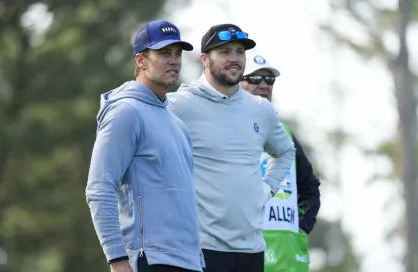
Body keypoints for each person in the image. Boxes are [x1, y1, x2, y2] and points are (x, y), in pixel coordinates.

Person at [167, 24, 296, 272]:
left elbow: (285, 151)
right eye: (225, 52)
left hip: (252, 250)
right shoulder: (180, 105)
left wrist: (267, 188)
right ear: (204, 59)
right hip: (199, 248)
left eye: (239, 51)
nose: (235, 59)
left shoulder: (260, 109)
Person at [86, 20, 204, 272]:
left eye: (177, 54)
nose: (174, 61)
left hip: (188, 261)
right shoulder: (125, 112)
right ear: (141, 61)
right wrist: (117, 259)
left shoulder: (177, 124)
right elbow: (99, 188)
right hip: (148, 259)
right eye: (163, 54)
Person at [241, 51, 321, 272]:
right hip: (244, 255)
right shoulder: (227, 130)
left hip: (287, 259)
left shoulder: (285, 133)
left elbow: (310, 188)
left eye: (270, 80)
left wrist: (301, 226)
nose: (264, 85)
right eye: (255, 79)